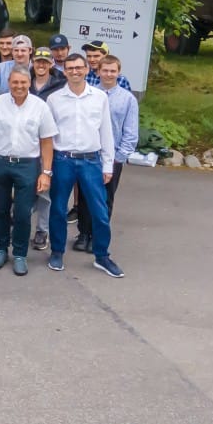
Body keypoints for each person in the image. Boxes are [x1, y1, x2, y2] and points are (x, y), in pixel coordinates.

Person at [46, 53, 123, 278]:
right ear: (65, 71)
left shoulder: (99, 98)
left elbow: (106, 132)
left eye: (79, 67)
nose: (75, 71)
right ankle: (57, 251)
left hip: (91, 160)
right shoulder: (55, 99)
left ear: (88, 69)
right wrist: (47, 168)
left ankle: (102, 255)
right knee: (58, 208)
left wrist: (108, 165)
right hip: (63, 159)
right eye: (70, 68)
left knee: (99, 210)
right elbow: (48, 136)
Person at [0, 69, 57, 276]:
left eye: (23, 82)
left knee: (22, 213)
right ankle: (1, 249)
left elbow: (46, 141)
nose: (18, 86)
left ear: (29, 83)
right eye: (14, 82)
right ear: (9, 82)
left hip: (27, 165)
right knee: (1, 210)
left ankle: (20, 254)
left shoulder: (40, 107)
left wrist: (46, 172)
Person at [86, 54, 139, 252]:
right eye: (105, 70)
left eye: (112, 71)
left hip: (113, 156)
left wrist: (119, 157)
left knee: (105, 199)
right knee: (85, 197)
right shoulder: (89, 94)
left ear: (118, 73)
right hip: (90, 154)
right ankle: (84, 233)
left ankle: (98, 236)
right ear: (98, 71)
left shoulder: (128, 99)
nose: (108, 74)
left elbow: (131, 131)